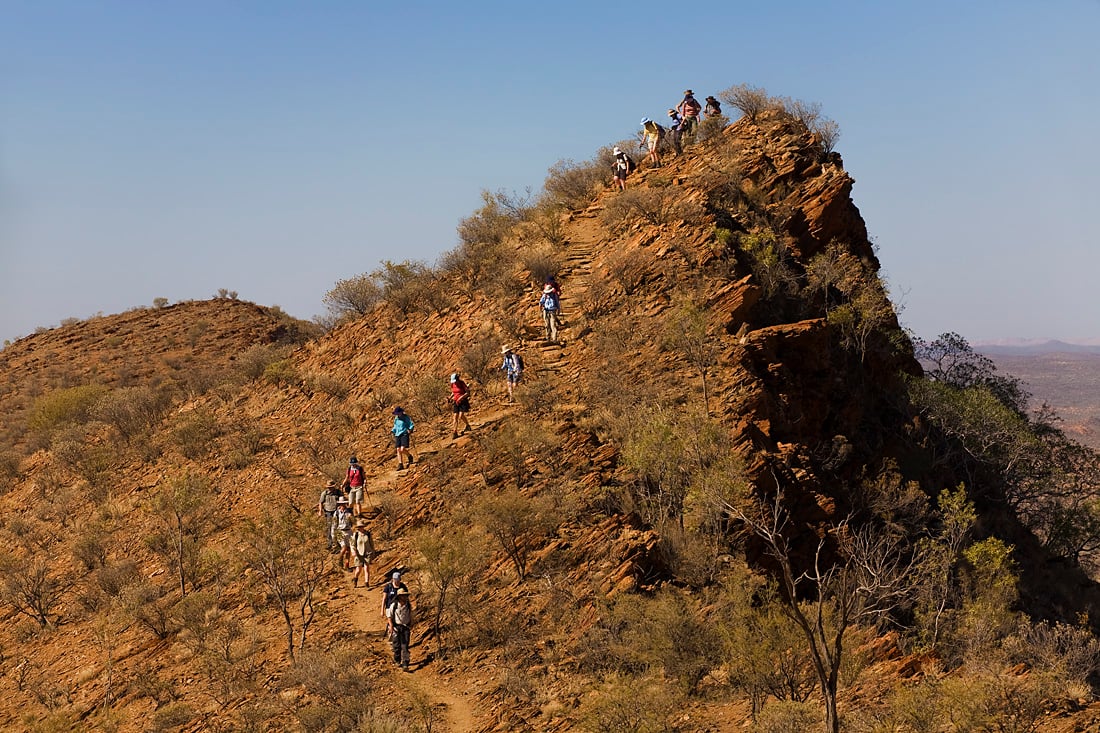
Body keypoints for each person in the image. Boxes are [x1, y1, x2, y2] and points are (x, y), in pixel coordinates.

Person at [386, 588, 414, 671]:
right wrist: (391, 626)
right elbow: (389, 616)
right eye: (403, 596)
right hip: (396, 627)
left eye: (405, 595)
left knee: (405, 646)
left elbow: (410, 616)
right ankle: (397, 660)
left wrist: (411, 625)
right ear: (399, 597)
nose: (405, 597)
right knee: (397, 645)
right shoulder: (394, 605)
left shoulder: (408, 605)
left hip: (405, 627)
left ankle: (405, 663)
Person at [317, 480, 345, 551]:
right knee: (329, 528)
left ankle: (339, 543)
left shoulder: (338, 492)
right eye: (329, 487)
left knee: (337, 527)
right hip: (328, 512)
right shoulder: (325, 493)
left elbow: (343, 501)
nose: (330, 488)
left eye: (331, 487)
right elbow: (320, 502)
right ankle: (330, 544)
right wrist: (320, 511)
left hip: (337, 512)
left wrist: (342, 507)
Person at [381, 571, 409, 637]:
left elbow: (406, 597)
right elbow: (384, 598)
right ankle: (392, 638)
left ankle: (400, 638)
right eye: (395, 579)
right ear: (392, 579)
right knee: (391, 623)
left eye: (398, 580)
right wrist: (382, 610)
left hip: (399, 607)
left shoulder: (403, 586)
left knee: (399, 622)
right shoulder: (388, 587)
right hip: (389, 607)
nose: (396, 581)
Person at [350, 520, 375, 588]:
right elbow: (352, 544)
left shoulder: (368, 534)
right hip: (359, 554)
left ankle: (366, 582)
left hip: (367, 553)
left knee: (366, 568)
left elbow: (371, 543)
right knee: (358, 569)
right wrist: (353, 551)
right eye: (359, 527)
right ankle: (355, 579)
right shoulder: (356, 535)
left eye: (362, 526)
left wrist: (373, 551)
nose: (361, 528)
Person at [449, 373, 471, 439]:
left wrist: (461, 397)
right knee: (455, 417)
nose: (454, 382)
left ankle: (468, 426)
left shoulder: (462, 383)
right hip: (456, 401)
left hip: (463, 401)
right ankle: (455, 432)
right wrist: (450, 397)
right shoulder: (453, 384)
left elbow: (467, 393)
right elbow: (453, 392)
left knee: (461, 416)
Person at [334, 499, 355, 569]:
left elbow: (354, 521)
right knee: (344, 547)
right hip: (340, 531)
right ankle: (339, 560)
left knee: (348, 549)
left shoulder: (349, 511)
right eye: (341, 504)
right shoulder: (336, 512)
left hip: (349, 531)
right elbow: (334, 523)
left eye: (344, 504)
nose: (343, 505)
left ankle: (347, 565)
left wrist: (351, 517)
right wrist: (333, 533)